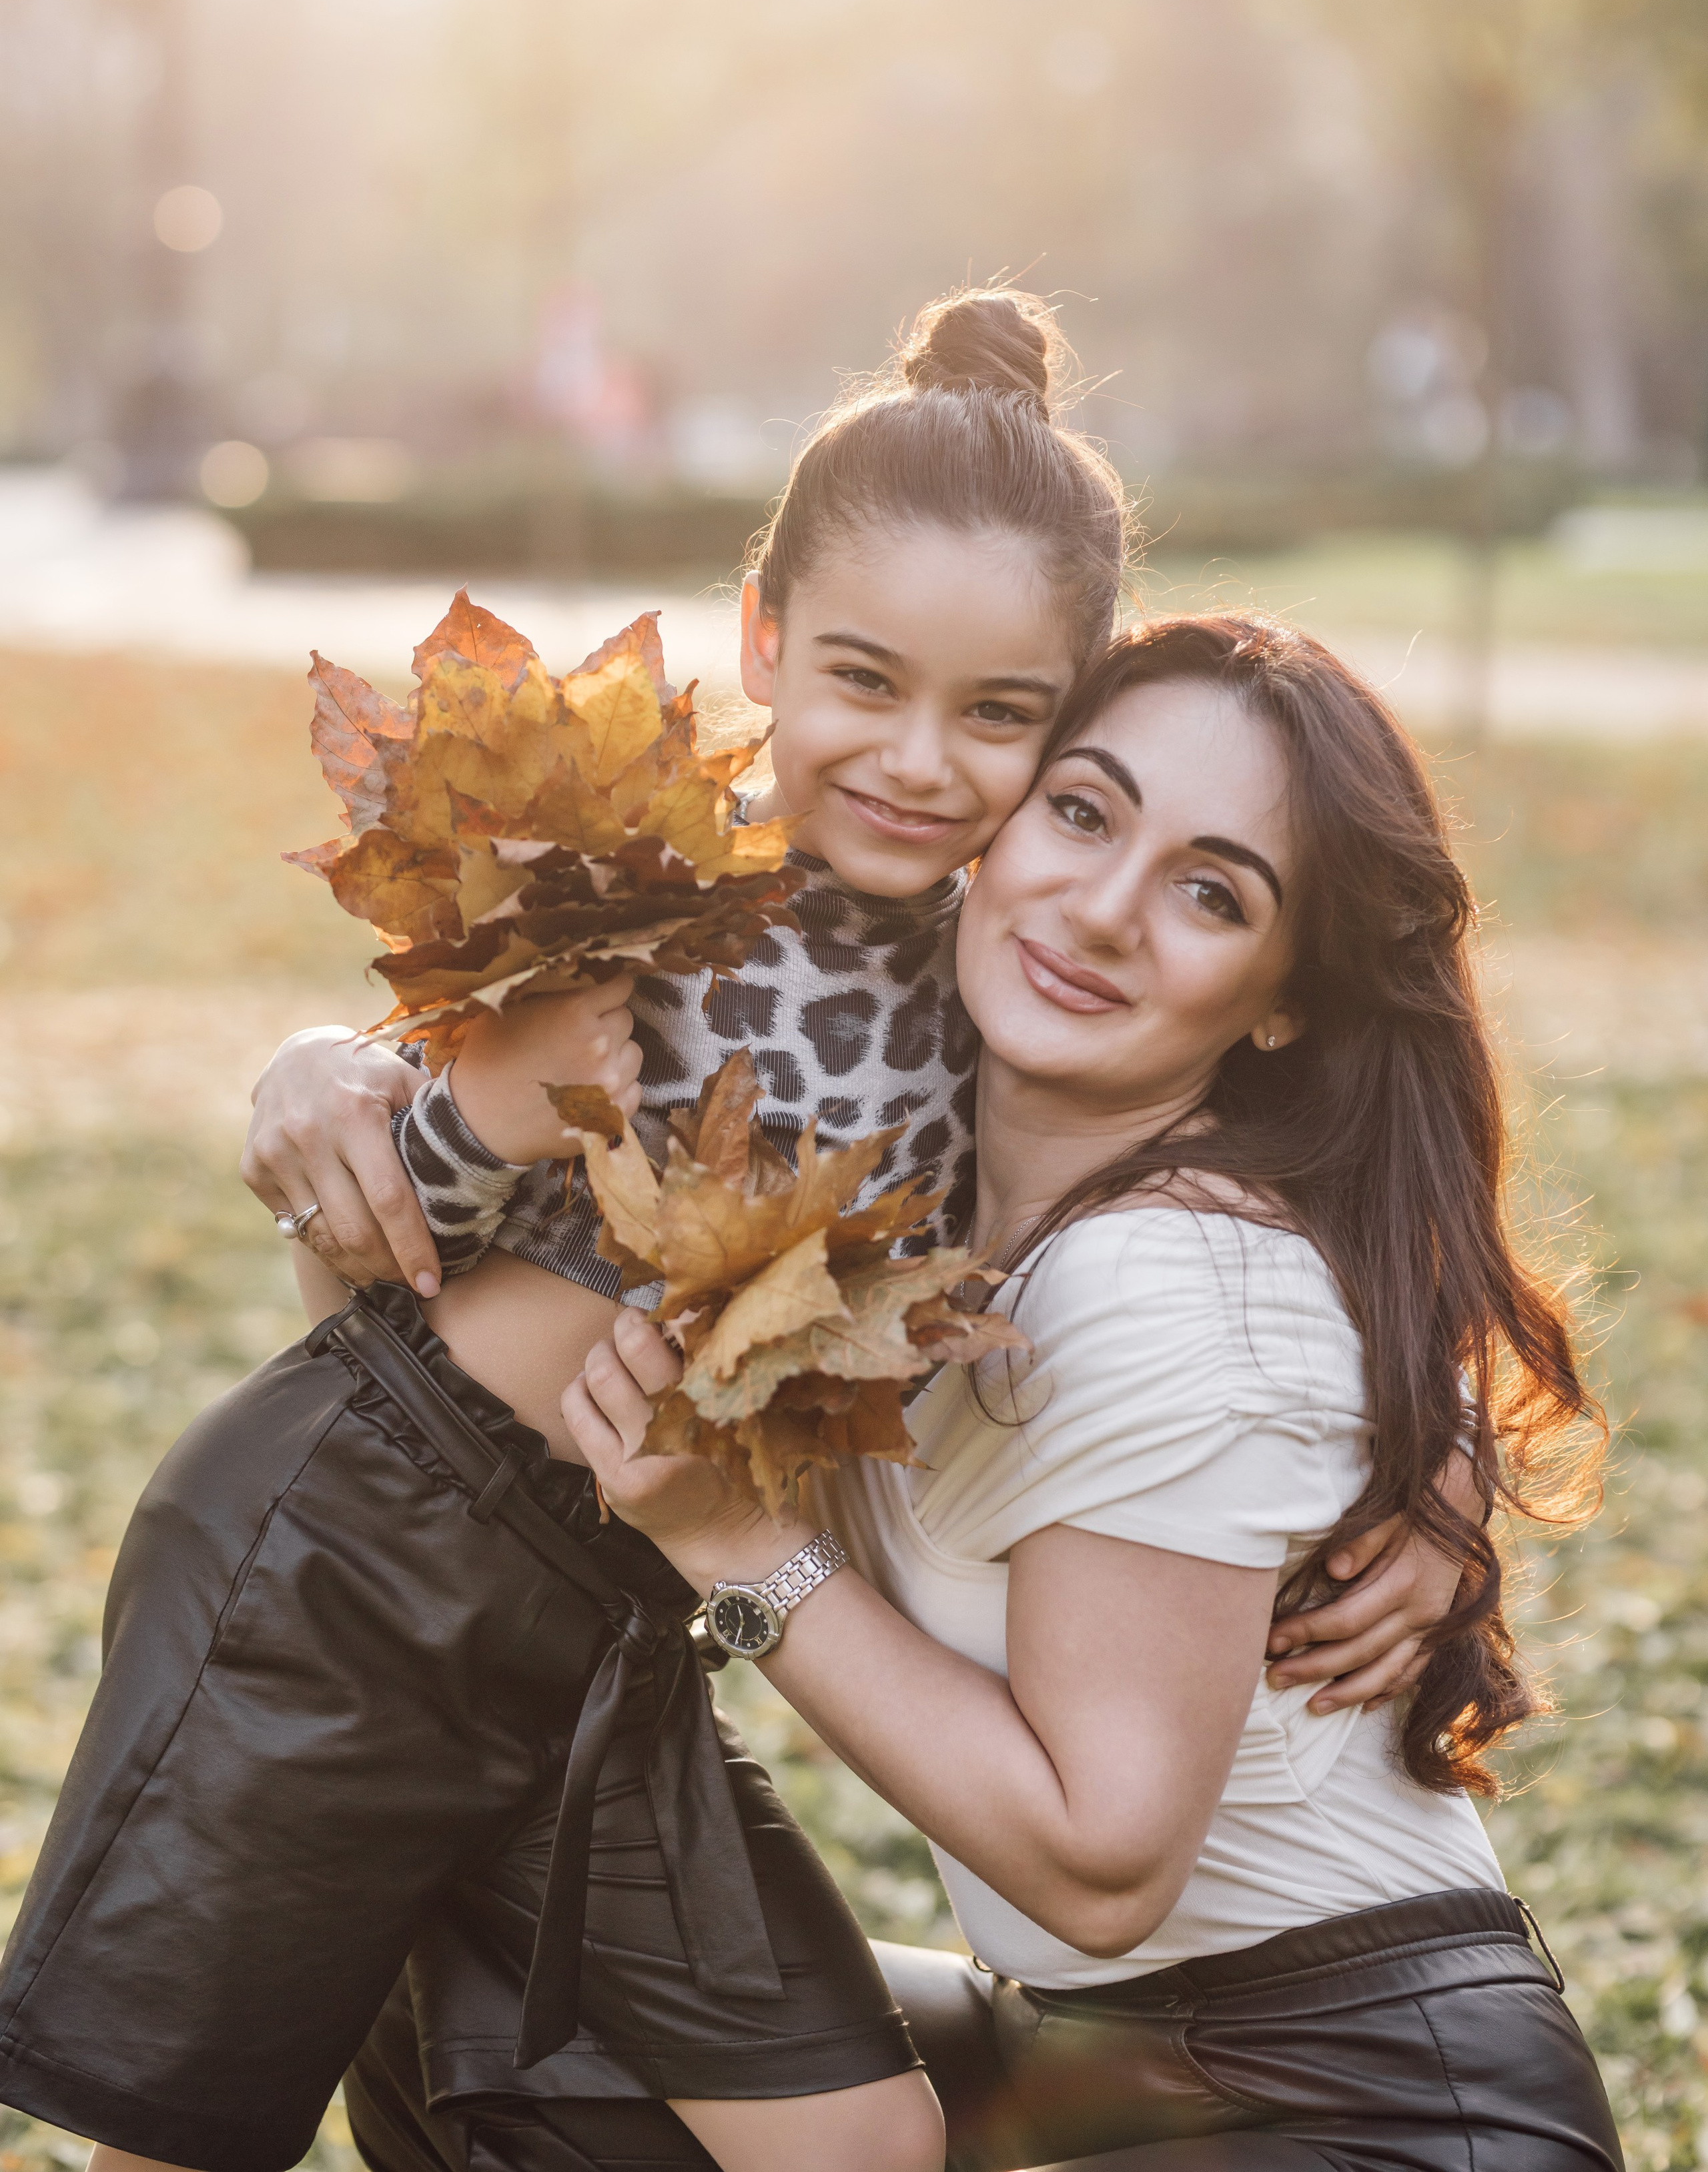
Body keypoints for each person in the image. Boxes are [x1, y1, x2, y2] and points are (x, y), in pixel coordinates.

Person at [0, 292, 1126, 2172]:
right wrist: (467, 1105)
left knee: (853, 2139)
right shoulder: (632, 881)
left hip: (620, 1627)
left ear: (1068, 715)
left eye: (999, 711)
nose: (924, 757)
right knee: (192, 2143)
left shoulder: (1021, 979)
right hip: (348, 1562)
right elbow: (357, 1252)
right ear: (766, 632)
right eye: (865, 678)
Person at [560, 612, 1623, 2171]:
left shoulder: (1165, 1273)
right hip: (1091, 2048)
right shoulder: (895, 1173)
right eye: (1080, 808)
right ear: (987, 823)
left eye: (1211, 891)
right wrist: (339, 1075)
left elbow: (1104, 1864)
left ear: (1280, 998)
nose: (1105, 907)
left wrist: (730, 1546)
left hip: (1361, 2105)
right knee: (527, 1999)